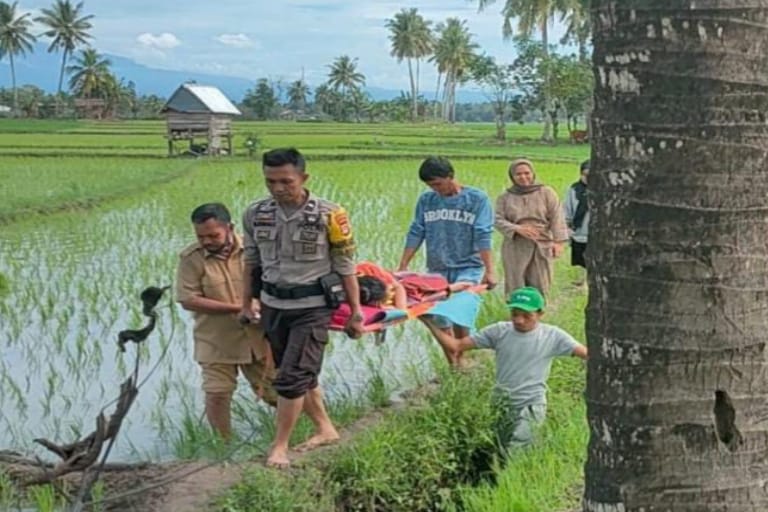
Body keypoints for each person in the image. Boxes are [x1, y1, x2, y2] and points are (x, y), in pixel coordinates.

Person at [240, 147, 365, 468]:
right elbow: (251, 263)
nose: (278, 188)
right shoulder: (256, 214)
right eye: (270, 182)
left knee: (292, 377)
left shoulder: (330, 215)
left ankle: (279, 447)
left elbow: (346, 265)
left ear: (303, 178)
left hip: (313, 308)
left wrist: (356, 312)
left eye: (286, 181)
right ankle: (325, 428)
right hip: (273, 306)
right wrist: (246, 302)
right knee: (298, 374)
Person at [423, 286, 587, 454]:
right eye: (515, 313)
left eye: (526, 315)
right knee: (500, 449)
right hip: (501, 404)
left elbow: (587, 354)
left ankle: (518, 476)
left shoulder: (553, 336)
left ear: (540, 314)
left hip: (531, 405)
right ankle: (502, 476)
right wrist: (428, 322)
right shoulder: (499, 331)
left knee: (517, 451)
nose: (519, 320)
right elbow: (456, 346)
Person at [175, 202, 277, 440]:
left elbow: (276, 282)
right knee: (217, 394)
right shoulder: (191, 258)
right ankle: (223, 445)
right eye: (201, 236)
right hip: (216, 340)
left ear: (229, 228)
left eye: (213, 235)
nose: (207, 241)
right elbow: (187, 298)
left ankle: (290, 434)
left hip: (259, 338)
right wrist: (238, 308)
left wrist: (261, 305)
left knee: (277, 392)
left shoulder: (255, 250)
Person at [398, 156, 497, 366]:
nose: (435, 189)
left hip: (468, 266)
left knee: (461, 312)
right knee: (439, 316)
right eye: (430, 185)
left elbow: (483, 233)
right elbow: (417, 231)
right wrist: (403, 266)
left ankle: (462, 356)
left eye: (438, 184)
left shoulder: (476, 200)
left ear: (450, 176)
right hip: (438, 268)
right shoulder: (427, 201)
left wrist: (490, 270)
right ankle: (454, 363)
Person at [494, 158, 568, 297]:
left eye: (527, 173)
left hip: (542, 244)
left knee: (540, 285)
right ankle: (517, 316)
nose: (523, 177)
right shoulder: (505, 197)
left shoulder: (546, 192)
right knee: (516, 285)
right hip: (515, 246)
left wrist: (558, 243)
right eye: (518, 174)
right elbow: (497, 219)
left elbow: (557, 216)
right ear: (512, 176)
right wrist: (517, 228)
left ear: (533, 174)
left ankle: (537, 316)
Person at [563, 160, 590, 285]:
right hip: (578, 233)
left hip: (597, 233)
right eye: (586, 175)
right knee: (581, 260)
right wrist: (567, 228)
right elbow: (567, 210)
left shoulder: (604, 190)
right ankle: (582, 282)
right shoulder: (574, 189)